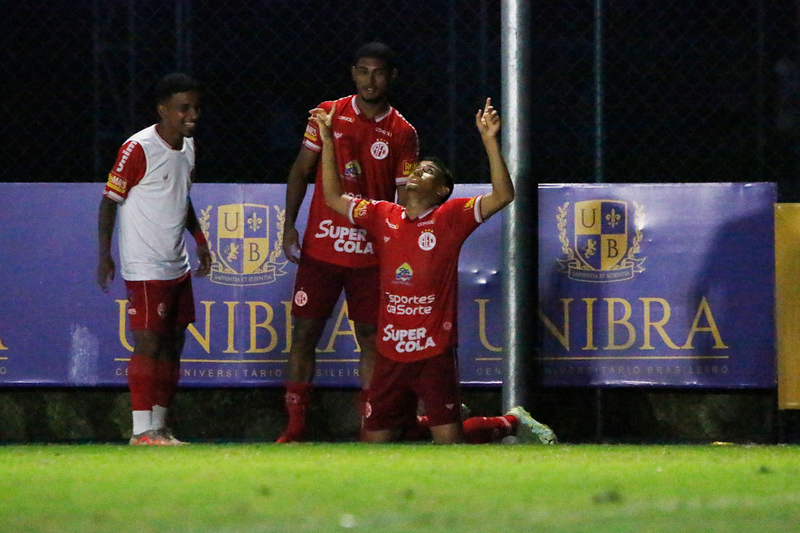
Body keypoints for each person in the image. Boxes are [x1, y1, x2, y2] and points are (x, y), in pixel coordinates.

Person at [315, 97, 555, 444]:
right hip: (391, 351)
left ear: (441, 191)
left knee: (449, 443)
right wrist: (327, 142)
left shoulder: (450, 217)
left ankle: (509, 421)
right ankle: (426, 419)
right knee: (374, 443)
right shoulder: (383, 214)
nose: (417, 172)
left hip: (432, 349)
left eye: (428, 171)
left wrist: (489, 140)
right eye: (417, 168)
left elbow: (503, 195)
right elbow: (334, 198)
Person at [278, 42, 419, 442]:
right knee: (304, 334)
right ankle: (294, 426)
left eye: (377, 72)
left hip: (370, 254)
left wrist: (405, 242)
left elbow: (405, 198)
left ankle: (369, 425)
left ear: (391, 77)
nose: (369, 80)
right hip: (322, 248)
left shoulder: (402, 132)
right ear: (353, 73)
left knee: (371, 339)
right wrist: (289, 223)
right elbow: (301, 169)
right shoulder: (329, 113)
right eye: (362, 71)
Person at [97, 73, 211, 446]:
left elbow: (180, 195)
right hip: (145, 264)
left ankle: (160, 427)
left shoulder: (189, 147)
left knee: (174, 342)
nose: (191, 114)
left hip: (175, 263)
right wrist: (105, 255)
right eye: (183, 108)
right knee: (148, 342)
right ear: (163, 109)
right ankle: (141, 431)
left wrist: (199, 239)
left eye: (195, 107)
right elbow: (108, 201)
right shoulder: (138, 148)